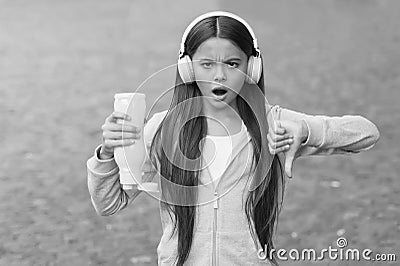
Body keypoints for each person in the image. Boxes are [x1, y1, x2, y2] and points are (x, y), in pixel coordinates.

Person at [86, 11, 380, 266]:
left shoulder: (274, 126)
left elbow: (367, 133)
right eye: (206, 64)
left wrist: (307, 132)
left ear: (252, 68)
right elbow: (109, 204)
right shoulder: (162, 130)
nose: (220, 76)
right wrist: (108, 154)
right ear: (187, 69)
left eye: (232, 63)